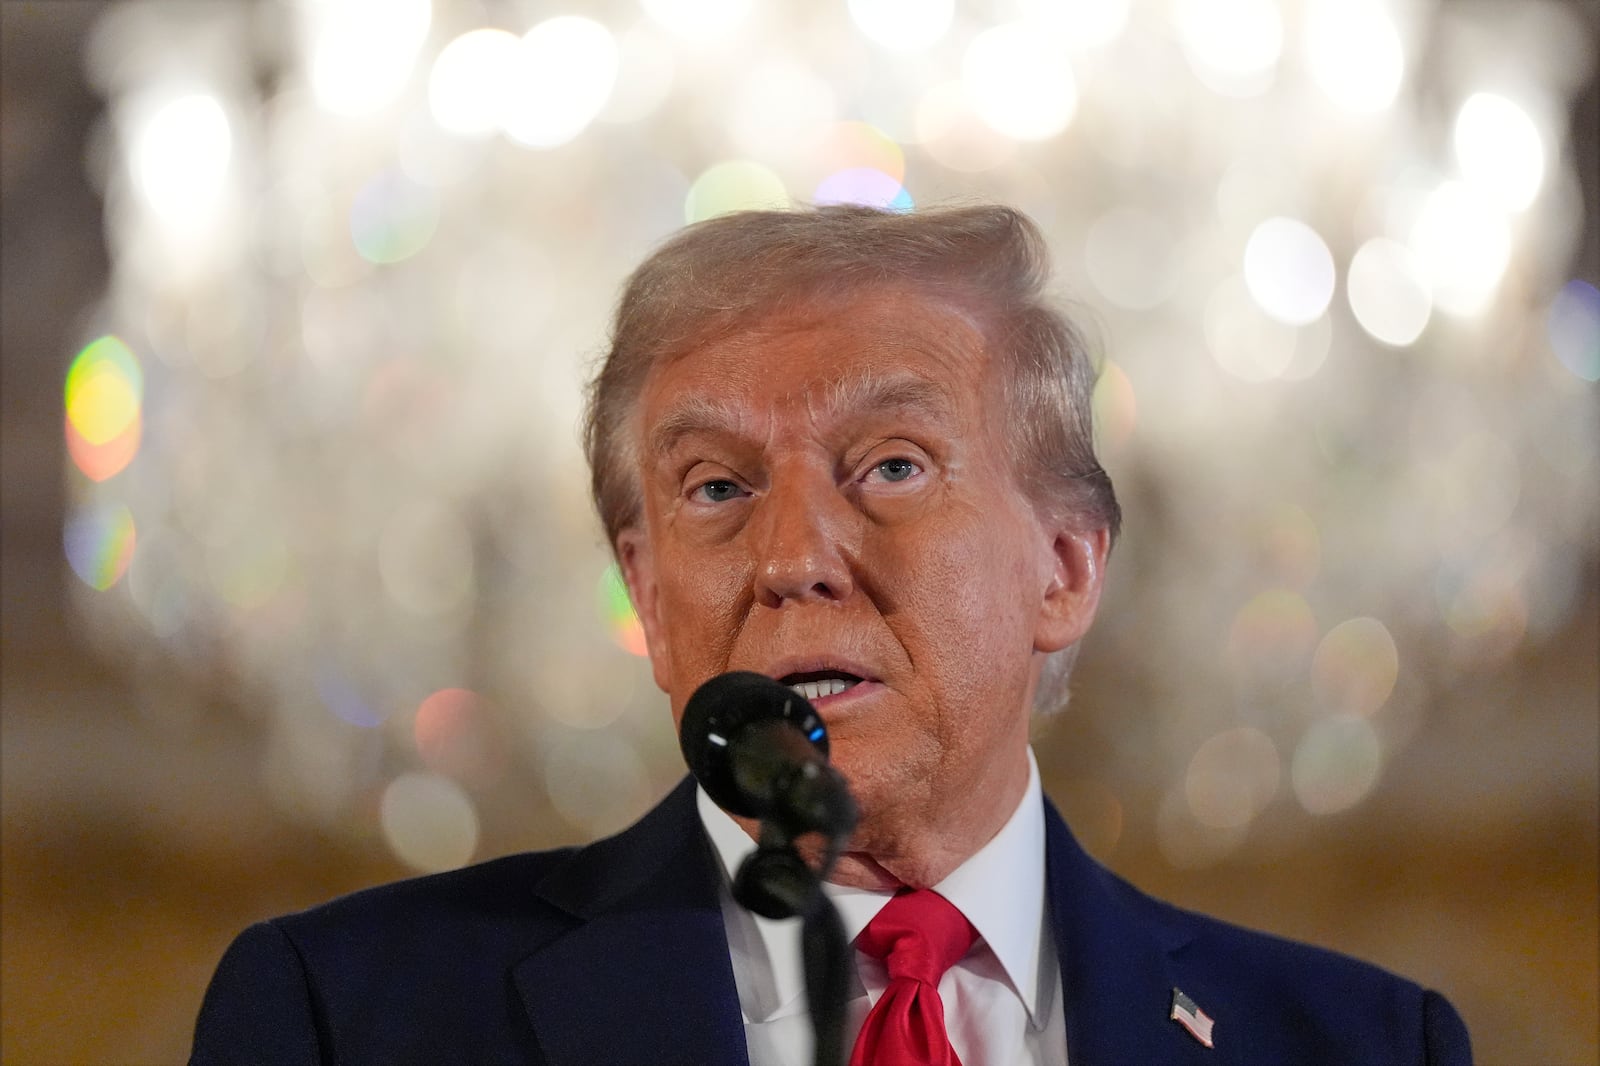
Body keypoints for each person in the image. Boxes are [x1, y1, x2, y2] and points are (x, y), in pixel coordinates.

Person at [191, 204, 1472, 1065]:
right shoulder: (344, 1015)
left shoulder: (1361, 1043)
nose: (793, 558)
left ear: (1066, 566)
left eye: (894, 465)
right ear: (644, 590)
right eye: (715, 488)